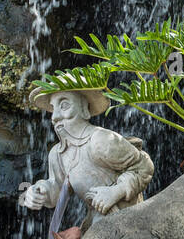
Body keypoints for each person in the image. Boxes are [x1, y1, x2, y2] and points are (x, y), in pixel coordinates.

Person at [20, 89, 154, 220]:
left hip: (128, 219)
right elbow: (58, 187)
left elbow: (144, 166)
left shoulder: (100, 140)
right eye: (53, 108)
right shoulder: (57, 154)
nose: (55, 117)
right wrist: (41, 191)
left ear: (84, 108)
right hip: (96, 221)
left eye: (64, 105)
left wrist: (117, 191)